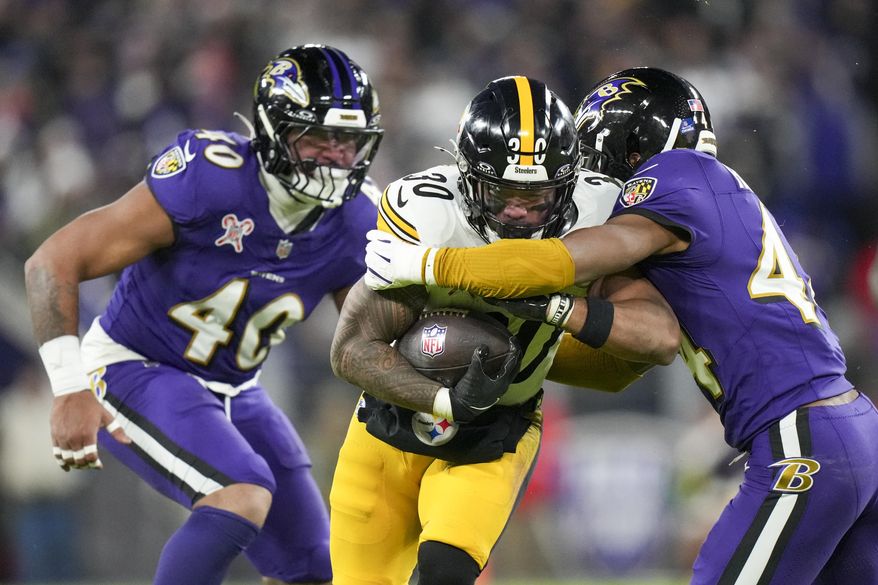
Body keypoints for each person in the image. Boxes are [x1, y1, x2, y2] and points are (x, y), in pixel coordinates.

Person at [363, 67, 878, 584]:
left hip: (800, 436)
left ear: (629, 149)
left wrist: (431, 265)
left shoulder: (676, 175)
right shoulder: (717, 194)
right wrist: (521, 347)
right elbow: (634, 350)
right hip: (850, 425)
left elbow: (565, 261)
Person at [24, 44, 383, 585]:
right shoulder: (210, 179)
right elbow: (52, 262)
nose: (334, 156)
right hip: (135, 365)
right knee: (240, 494)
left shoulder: (357, 221)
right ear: (274, 130)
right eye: (316, 137)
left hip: (236, 388)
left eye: (347, 141)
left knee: (314, 567)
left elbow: (369, 336)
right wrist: (69, 385)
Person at [328, 75, 681, 585]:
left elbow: (657, 338)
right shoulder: (428, 208)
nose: (517, 212)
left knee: (445, 571)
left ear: (568, 184)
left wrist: (555, 307)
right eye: (501, 194)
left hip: (499, 426)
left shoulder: (601, 211)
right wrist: (447, 401)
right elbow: (350, 349)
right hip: (390, 425)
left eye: (536, 199)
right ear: (468, 179)